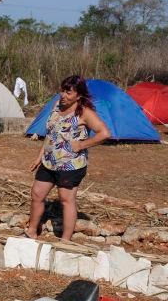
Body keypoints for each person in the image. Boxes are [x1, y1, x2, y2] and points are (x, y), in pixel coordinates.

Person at [25, 75, 110, 241]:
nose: (63, 95)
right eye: (63, 90)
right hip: (49, 162)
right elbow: (51, 133)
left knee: (66, 200)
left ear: (78, 95)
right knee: (37, 194)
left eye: (68, 92)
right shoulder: (57, 105)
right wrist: (39, 156)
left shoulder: (85, 113)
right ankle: (32, 231)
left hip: (70, 165)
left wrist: (81, 145)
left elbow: (105, 133)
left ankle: (65, 240)